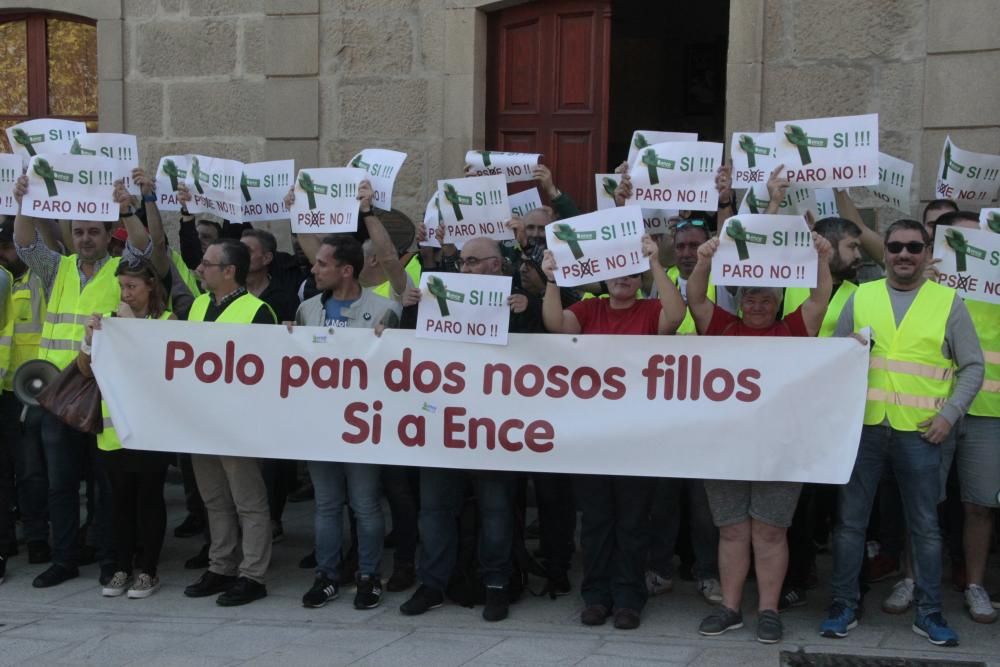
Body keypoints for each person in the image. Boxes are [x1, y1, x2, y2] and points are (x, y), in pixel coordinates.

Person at [822, 219, 984, 647]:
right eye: (896, 247)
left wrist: (950, 414)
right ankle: (843, 603)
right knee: (850, 524)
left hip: (922, 433)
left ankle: (929, 612)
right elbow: (838, 361)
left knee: (926, 528)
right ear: (886, 252)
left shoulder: (948, 302)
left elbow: (973, 366)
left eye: (915, 247)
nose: (904, 255)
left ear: (928, 253)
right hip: (867, 429)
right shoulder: (861, 297)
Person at [687, 231, 833, 644]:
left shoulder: (792, 330)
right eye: (749, 297)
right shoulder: (721, 328)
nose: (756, 305)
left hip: (780, 452)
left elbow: (819, 299)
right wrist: (702, 261)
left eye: (766, 298)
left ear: (778, 302)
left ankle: (768, 609)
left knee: (770, 531)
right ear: (739, 301)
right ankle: (731, 608)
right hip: (725, 451)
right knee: (732, 529)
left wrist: (821, 259)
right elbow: (696, 299)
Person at [540, 234, 686, 630]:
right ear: (603, 279)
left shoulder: (652, 308)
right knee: (597, 521)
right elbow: (555, 324)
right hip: (593, 436)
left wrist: (656, 261)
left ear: (639, 278)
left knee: (634, 521)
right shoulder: (589, 310)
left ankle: (628, 598)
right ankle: (597, 596)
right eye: (615, 273)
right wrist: (552, 280)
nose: (622, 279)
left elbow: (675, 316)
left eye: (630, 273)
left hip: (638, 437)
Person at [12, 175, 151, 589]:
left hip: (106, 392)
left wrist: (129, 207)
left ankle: (111, 561)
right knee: (61, 483)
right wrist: (23, 204)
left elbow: (144, 248)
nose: (85, 238)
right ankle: (64, 558)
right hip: (60, 392)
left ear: (109, 236)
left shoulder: (119, 271)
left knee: (106, 485)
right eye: (78, 232)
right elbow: (26, 244)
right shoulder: (59, 268)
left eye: (93, 231)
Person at [400, 236, 544, 623]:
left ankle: (497, 583)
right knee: (434, 510)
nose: (463, 269)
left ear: (496, 266)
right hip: (442, 425)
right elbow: (410, 349)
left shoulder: (517, 305)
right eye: (461, 262)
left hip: (493, 429)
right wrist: (410, 311)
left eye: (472, 262)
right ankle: (432, 583)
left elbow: (541, 359)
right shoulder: (437, 298)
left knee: (496, 510)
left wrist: (528, 311)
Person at [294, 235, 400, 610]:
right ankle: (327, 575)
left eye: (322, 263)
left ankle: (369, 576)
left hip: (363, 425)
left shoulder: (385, 309)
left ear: (346, 270)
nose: (313, 268)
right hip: (321, 423)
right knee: (326, 504)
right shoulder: (307, 310)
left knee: (365, 504)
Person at [183, 238, 276, 607]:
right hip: (200, 420)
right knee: (215, 499)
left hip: (238, 424)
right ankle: (221, 565)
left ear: (228, 271)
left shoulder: (258, 310)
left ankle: (253, 574)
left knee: (248, 501)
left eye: (207, 264)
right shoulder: (199, 304)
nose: (199, 269)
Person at [77, 258, 175, 598]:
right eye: (121, 287)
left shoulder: (166, 320)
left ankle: (148, 569)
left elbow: (159, 368)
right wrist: (90, 340)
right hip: (112, 427)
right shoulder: (110, 321)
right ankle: (120, 566)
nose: (125, 294)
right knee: (117, 501)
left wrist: (131, 325)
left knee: (148, 499)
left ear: (150, 286)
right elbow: (86, 371)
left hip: (151, 429)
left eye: (131, 286)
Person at [925, 210, 999, 623]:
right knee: (923, 502)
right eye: (957, 239)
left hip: (988, 412)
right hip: (932, 408)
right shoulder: (924, 282)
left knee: (979, 506)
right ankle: (914, 579)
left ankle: (975, 585)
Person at [0, 215, 49, 581]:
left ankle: (37, 539)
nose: (5, 254)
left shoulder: (41, 278)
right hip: (3, 388)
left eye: (8, 246)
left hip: (34, 387)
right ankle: (6, 541)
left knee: (31, 471)